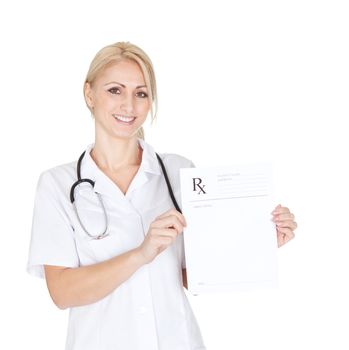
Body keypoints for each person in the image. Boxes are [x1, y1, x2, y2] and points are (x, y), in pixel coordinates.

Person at [27, 41, 297, 350]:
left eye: (141, 93)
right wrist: (140, 254)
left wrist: (259, 242)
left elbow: (196, 275)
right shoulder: (58, 185)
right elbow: (62, 292)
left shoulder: (179, 172)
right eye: (115, 90)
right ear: (89, 94)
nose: (129, 105)